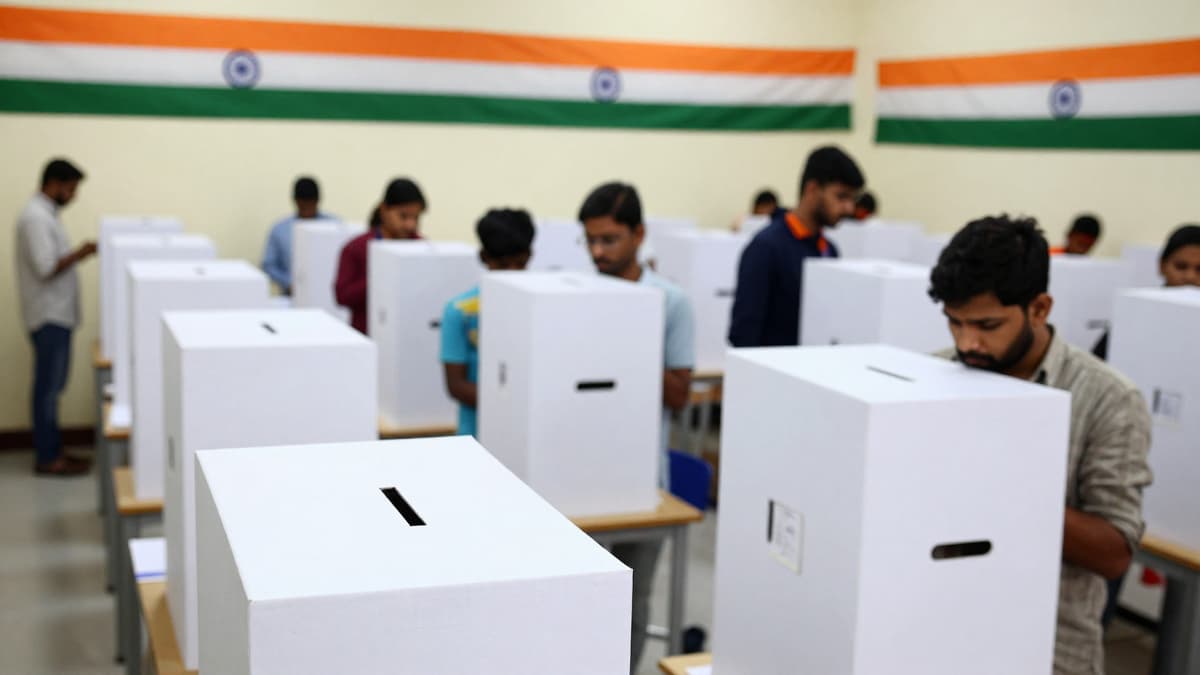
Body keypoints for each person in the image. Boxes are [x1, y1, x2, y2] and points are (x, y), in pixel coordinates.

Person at [929, 215, 1151, 675]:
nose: (968, 342)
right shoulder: (932, 375)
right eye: (955, 323)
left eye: (988, 324)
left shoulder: (1108, 398)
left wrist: (999, 492)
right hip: (938, 630)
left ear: (1039, 308)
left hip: (1049, 651)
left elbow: (1113, 552)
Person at [578, 182, 695, 674]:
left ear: (639, 235)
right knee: (579, 599)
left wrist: (630, 340)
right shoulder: (580, 294)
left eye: (610, 240)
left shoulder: (670, 302)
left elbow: (678, 395)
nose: (599, 252)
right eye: (591, 241)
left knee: (632, 599)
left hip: (642, 478)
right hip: (577, 472)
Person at [728, 146, 865, 347]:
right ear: (812, 190)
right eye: (841, 196)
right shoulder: (765, 248)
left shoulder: (830, 250)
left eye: (852, 199)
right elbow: (743, 334)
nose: (849, 208)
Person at [15, 158, 96, 476]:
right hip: (48, 316)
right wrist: (82, 252)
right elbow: (46, 266)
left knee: (53, 387)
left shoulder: (45, 215)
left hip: (56, 315)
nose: (73, 196)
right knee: (47, 389)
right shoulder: (35, 218)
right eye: (71, 188)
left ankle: (54, 449)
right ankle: (48, 457)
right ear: (55, 184)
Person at [440, 209, 535, 437]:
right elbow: (456, 386)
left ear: (530, 255)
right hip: (475, 437)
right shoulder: (459, 311)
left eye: (519, 263)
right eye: (503, 264)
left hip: (527, 436)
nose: (512, 273)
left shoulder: (539, 308)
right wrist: (519, 404)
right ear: (484, 257)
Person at [334, 178, 425, 334]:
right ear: (384, 210)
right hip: (367, 335)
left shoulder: (421, 247)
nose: (411, 225)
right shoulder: (356, 248)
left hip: (409, 335)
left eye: (416, 218)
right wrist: (381, 276)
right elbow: (342, 296)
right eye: (403, 216)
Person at [260, 176, 333, 294]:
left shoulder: (333, 226)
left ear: (318, 201)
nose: (307, 208)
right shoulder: (280, 229)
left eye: (311, 203)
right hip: (290, 297)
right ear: (295, 201)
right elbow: (268, 265)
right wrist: (288, 282)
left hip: (327, 294)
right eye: (303, 203)